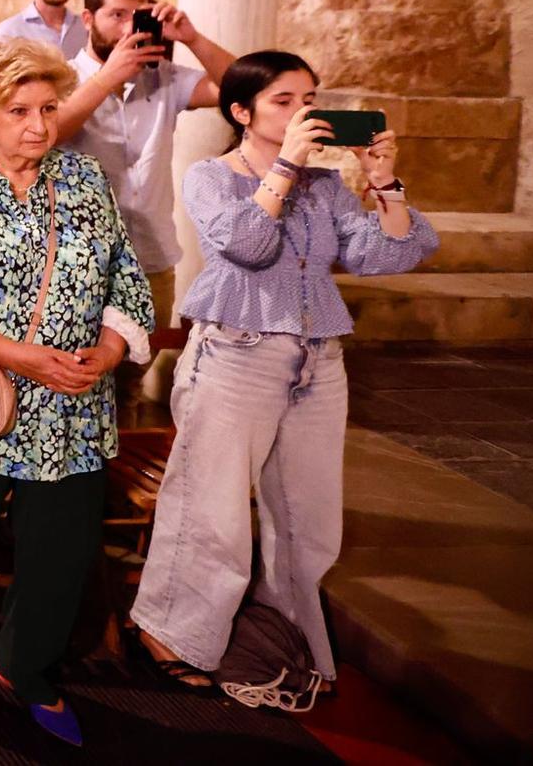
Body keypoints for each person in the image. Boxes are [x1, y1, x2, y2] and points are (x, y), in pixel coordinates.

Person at [130, 52, 436, 692]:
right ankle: (169, 633)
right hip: (235, 354)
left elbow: (386, 254)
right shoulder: (212, 177)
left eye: (311, 98)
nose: (305, 111)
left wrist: (385, 183)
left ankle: (284, 638)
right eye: (285, 100)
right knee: (210, 509)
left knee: (309, 516)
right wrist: (288, 166)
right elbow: (245, 245)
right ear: (241, 112)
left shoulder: (325, 187)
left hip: (318, 361)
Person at [0, 39, 153, 749]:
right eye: (18, 111)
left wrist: (106, 352)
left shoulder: (82, 178)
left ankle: (25, 666)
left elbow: (123, 276)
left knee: (61, 550)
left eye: (47, 109)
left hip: (72, 397)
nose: (38, 126)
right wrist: (21, 358)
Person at [55, 0, 235, 333]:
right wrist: (109, 76)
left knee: (138, 371)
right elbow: (51, 131)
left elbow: (242, 89)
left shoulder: (163, 77)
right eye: (116, 15)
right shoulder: (62, 77)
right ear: (88, 19)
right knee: (80, 370)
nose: (127, 29)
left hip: (151, 257)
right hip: (81, 258)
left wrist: (192, 38)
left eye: (137, 17)